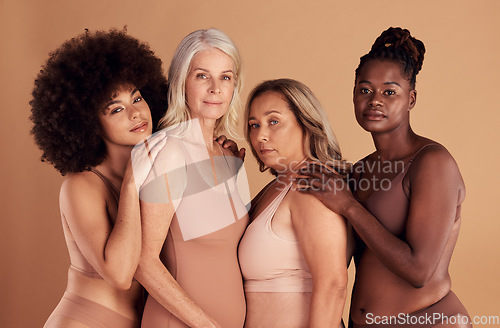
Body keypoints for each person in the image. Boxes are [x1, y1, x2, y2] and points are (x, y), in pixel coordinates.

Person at [298, 27, 471, 328]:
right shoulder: (360, 171)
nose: (375, 100)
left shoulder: (431, 163)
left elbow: (419, 272)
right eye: (365, 90)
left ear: (411, 99)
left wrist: (349, 206)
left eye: (389, 92)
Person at [30, 29, 168, 328]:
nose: (135, 113)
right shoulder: (80, 185)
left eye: (138, 98)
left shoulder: (156, 173)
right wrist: (131, 181)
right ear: (88, 123)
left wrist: (222, 162)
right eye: (116, 109)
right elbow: (119, 274)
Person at [134, 28, 249, 328]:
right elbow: (143, 263)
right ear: (181, 82)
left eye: (225, 77)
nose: (215, 88)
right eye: (202, 76)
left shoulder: (229, 158)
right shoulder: (171, 151)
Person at [238, 78, 353, 328]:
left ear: (307, 124)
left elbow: (333, 285)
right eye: (254, 125)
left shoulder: (311, 186)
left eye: (274, 122)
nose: (261, 135)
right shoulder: (279, 185)